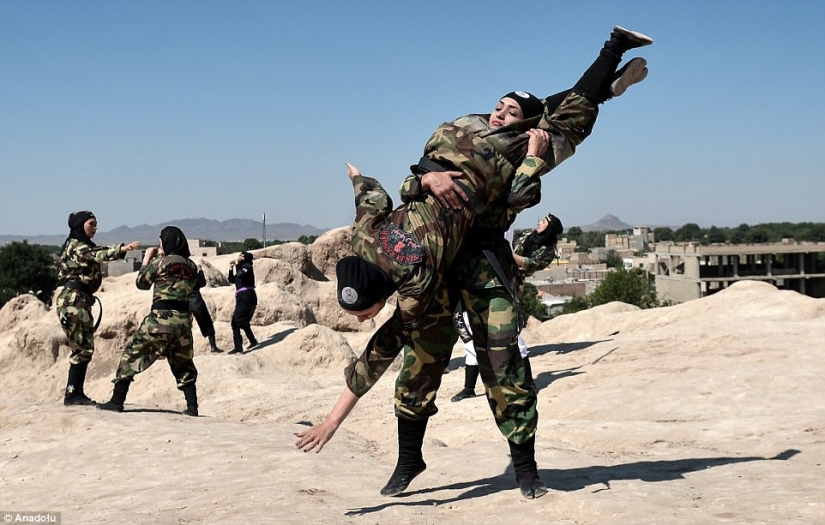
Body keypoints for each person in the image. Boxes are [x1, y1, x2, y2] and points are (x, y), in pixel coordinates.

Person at [296, 25, 653, 499]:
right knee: (420, 366)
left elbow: (519, 193)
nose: (499, 113)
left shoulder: (518, 145)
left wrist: (530, 158)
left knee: (504, 363)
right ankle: (409, 460)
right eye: (499, 108)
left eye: (509, 111)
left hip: (483, 261)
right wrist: (417, 180)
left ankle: (525, 468)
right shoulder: (380, 240)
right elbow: (379, 193)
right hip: (443, 268)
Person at [450, 213, 563, 403]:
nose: (539, 223)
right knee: (471, 338)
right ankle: (469, 388)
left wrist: (504, 253)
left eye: (544, 222)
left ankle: (528, 383)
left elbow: (530, 264)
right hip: (483, 283)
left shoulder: (547, 251)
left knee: (511, 338)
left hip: (506, 285)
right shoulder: (527, 236)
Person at [97, 226, 200, 416]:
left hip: (160, 320)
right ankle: (192, 407)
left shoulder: (160, 263)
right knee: (183, 363)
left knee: (131, 356)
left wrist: (147, 259)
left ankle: (116, 401)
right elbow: (197, 284)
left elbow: (142, 284)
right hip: (183, 323)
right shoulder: (192, 266)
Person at [56, 210, 140, 406]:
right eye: (91, 224)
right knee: (82, 349)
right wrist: (122, 249)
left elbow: (96, 252)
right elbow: (97, 254)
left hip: (80, 300)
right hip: (74, 301)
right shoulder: (77, 246)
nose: (95, 227)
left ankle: (76, 393)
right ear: (80, 226)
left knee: (84, 348)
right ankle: (72, 394)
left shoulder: (80, 244)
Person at [228, 251, 258, 354]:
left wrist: (237, 264)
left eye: (242, 256)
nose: (239, 257)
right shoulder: (242, 267)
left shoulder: (247, 266)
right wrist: (231, 268)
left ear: (246, 258)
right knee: (243, 321)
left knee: (235, 322)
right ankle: (253, 341)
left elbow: (241, 275)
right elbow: (232, 280)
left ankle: (238, 347)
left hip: (246, 296)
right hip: (244, 297)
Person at [190, 264, 223, 353]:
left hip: (184, 303)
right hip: (197, 302)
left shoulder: (182, 277)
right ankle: (213, 347)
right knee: (207, 324)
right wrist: (200, 271)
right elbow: (202, 283)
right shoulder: (193, 276)